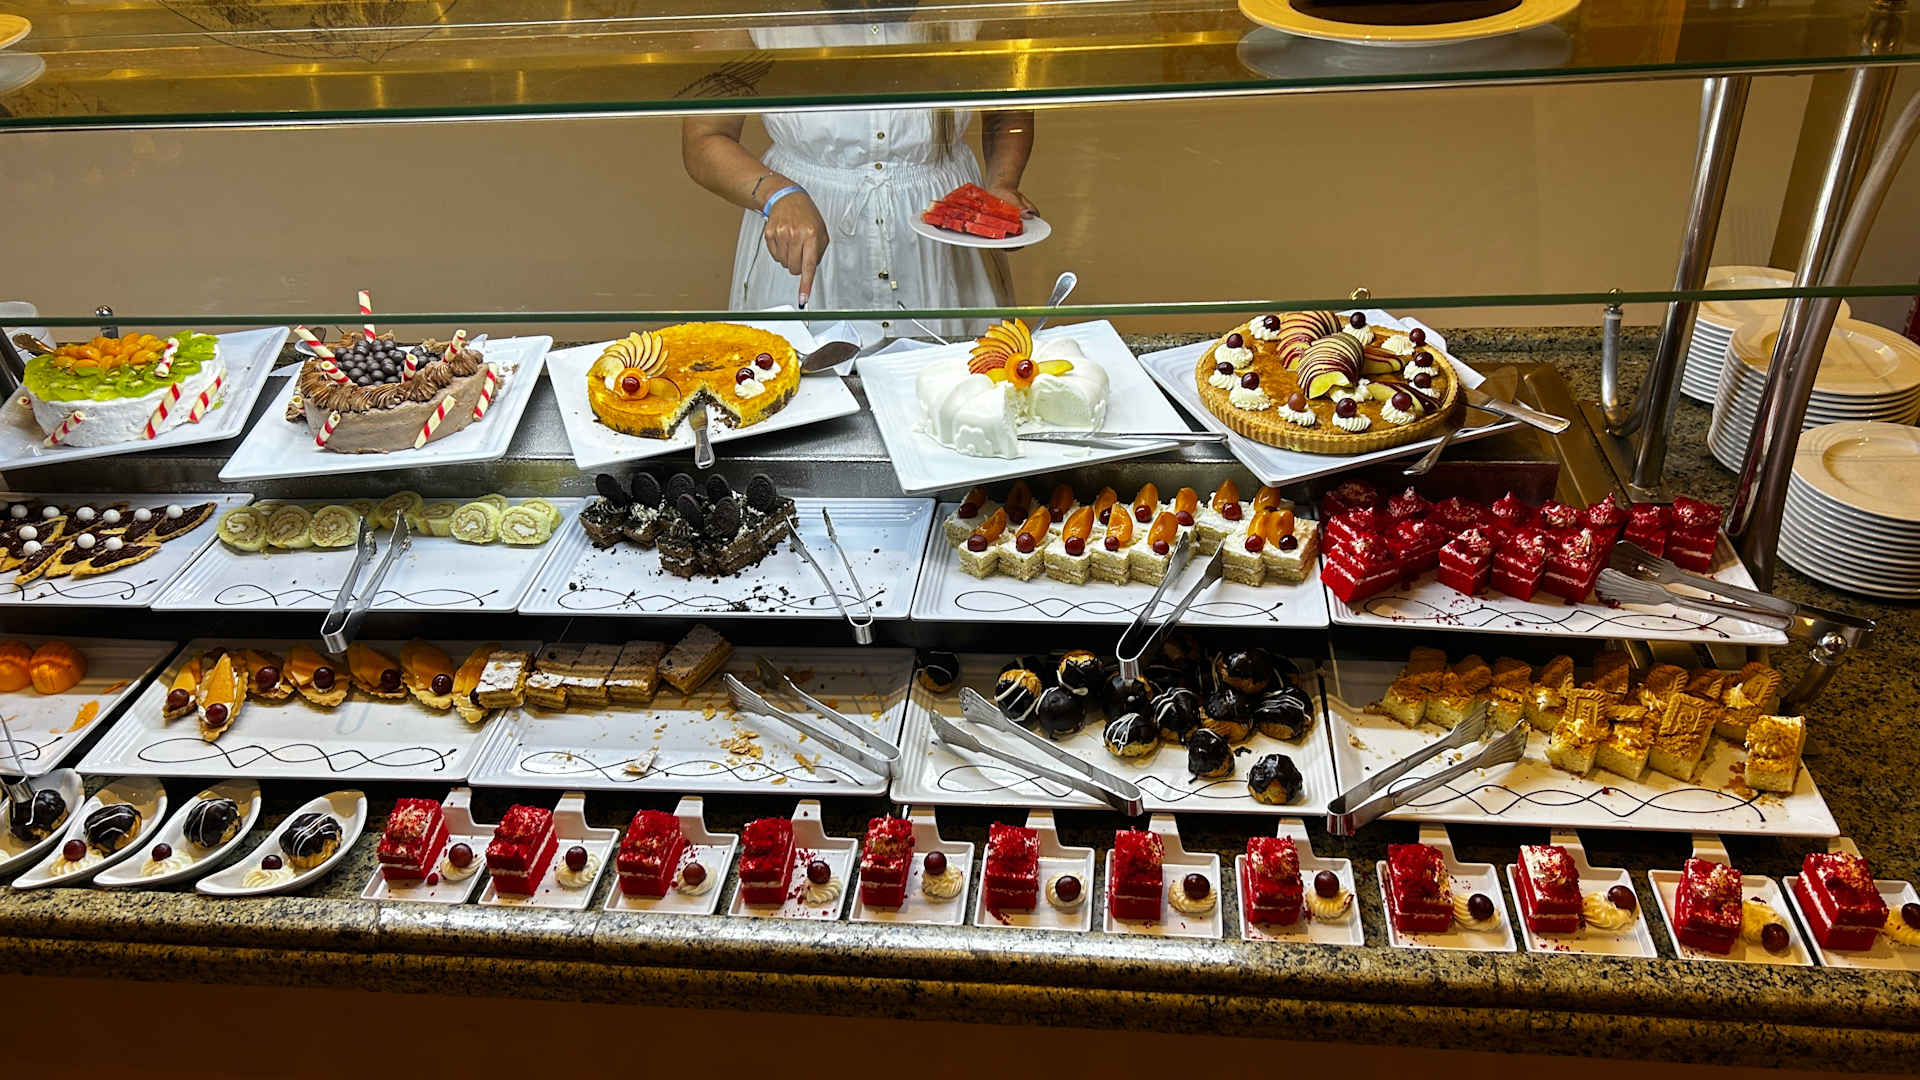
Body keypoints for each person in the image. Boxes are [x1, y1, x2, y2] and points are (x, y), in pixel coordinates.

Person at [681, 19, 1035, 341]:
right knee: (804, 383)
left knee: (958, 383)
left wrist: (1002, 185)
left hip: (945, 240)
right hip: (803, 231)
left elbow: (1008, 108)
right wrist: (777, 194)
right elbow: (706, 137)